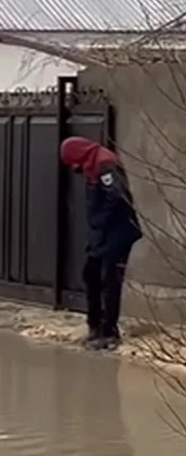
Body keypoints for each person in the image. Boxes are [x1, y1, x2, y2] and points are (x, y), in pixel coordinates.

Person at [59, 136, 143, 350]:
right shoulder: (92, 164)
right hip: (101, 234)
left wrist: (101, 222)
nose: (76, 169)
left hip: (117, 232)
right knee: (91, 275)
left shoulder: (105, 164)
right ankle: (94, 325)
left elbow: (118, 197)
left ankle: (109, 332)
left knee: (110, 281)